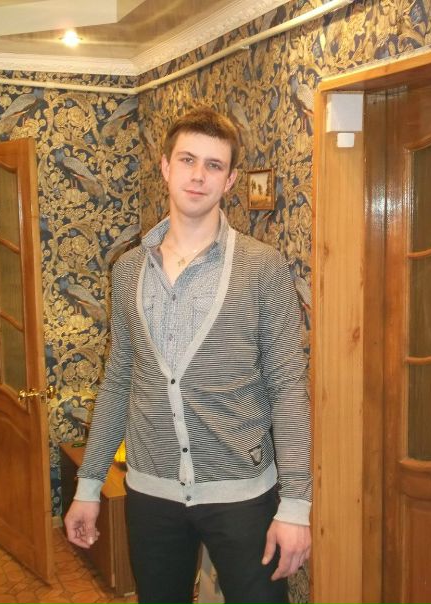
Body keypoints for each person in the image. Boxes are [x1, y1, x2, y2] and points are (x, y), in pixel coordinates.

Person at [64, 106, 312, 604]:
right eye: (187, 160)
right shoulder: (129, 270)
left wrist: (296, 505)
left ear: (230, 179)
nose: (199, 175)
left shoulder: (263, 268)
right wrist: (88, 486)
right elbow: (119, 381)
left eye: (214, 165)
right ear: (165, 167)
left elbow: (287, 387)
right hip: (151, 494)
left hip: (243, 494)